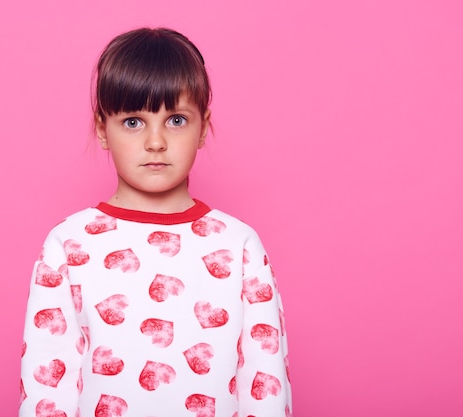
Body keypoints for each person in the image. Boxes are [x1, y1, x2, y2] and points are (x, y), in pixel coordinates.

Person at [20, 27, 292, 417]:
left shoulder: (239, 245)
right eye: (133, 121)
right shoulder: (68, 243)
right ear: (102, 129)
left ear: (202, 127)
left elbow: (265, 382)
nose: (155, 142)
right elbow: (46, 388)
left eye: (176, 120)